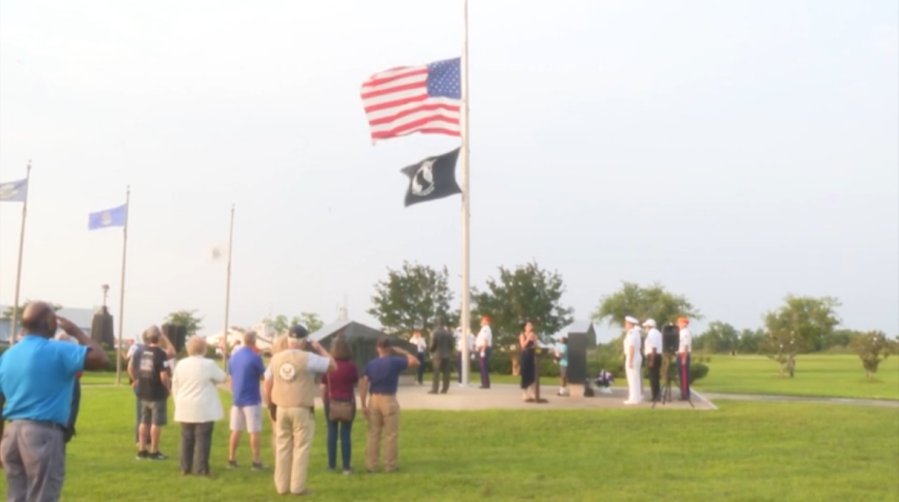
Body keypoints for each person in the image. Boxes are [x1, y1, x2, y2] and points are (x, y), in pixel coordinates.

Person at [0, 301, 109, 502]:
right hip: (42, 434)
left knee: (16, 496)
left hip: (11, 435)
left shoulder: (8, 355)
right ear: (50, 323)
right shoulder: (58, 350)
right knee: (43, 496)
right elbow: (100, 359)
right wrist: (77, 332)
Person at [263, 325, 335, 496]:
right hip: (302, 407)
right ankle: (297, 487)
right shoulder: (308, 357)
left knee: (282, 447)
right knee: (301, 448)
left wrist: (270, 405)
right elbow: (332, 365)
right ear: (304, 342)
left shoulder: (276, 359)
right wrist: (319, 348)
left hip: (281, 407)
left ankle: (281, 486)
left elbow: (267, 381)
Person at [359, 337, 419, 473]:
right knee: (391, 434)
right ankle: (390, 465)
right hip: (389, 398)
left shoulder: (371, 364)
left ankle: (371, 464)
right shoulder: (395, 362)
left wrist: (363, 404)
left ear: (377, 348)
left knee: (373, 433)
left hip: (374, 399)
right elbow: (415, 362)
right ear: (389, 348)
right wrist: (403, 352)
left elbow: (363, 385)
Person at [172, 336, 226, 476]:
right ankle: (201, 468)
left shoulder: (181, 364)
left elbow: (175, 385)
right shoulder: (208, 364)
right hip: (204, 407)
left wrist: (177, 401)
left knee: (186, 438)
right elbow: (222, 377)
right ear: (204, 349)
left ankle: (185, 467)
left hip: (185, 405)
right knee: (203, 438)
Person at [129, 325, 172, 460]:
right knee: (156, 423)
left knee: (143, 421)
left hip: (142, 391)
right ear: (159, 337)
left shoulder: (139, 352)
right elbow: (163, 376)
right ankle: (154, 451)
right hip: (156, 392)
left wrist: (135, 380)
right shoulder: (161, 354)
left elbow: (131, 367)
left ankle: (141, 450)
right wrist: (168, 389)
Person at [227, 330, 267, 470]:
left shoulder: (233, 358)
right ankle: (256, 461)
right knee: (254, 431)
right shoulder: (255, 358)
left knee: (236, 430)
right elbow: (264, 376)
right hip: (251, 398)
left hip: (237, 399)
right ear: (254, 342)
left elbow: (230, 378)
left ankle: (231, 459)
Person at [320, 336, 359, 474]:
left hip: (331, 400)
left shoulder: (329, 366)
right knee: (346, 434)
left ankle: (331, 465)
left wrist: (323, 400)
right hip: (348, 401)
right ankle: (346, 467)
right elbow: (355, 383)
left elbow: (323, 386)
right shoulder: (352, 367)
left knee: (331, 432)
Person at [428, 320, 454, 395]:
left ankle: (435, 389)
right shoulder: (448, 333)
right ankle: (445, 389)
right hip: (447, 355)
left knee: (436, 373)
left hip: (437, 354)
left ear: (436, 323)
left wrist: (431, 351)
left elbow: (432, 345)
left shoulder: (434, 332)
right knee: (446, 372)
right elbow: (451, 345)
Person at [623, 316, 644, 405]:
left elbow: (631, 347)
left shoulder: (631, 333)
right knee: (636, 377)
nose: (625, 325)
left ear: (630, 324)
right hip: (637, 354)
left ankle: (633, 398)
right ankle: (637, 396)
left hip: (633, 355)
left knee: (632, 377)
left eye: (626, 323)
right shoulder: (636, 332)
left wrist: (630, 360)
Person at [643, 319, 663, 402]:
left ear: (649, 326)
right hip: (658, 355)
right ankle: (657, 395)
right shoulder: (658, 333)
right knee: (656, 377)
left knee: (653, 377)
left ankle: (655, 396)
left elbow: (653, 347)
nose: (645, 328)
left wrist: (652, 360)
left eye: (646, 326)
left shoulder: (652, 333)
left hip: (653, 355)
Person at [519, 322, 538, 402]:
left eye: (531, 325)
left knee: (532, 375)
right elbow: (523, 345)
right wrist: (528, 338)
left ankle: (533, 393)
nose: (530, 327)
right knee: (525, 374)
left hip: (532, 356)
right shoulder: (522, 335)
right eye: (528, 325)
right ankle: (525, 393)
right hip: (525, 356)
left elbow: (536, 346)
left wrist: (534, 339)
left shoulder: (534, 335)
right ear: (525, 327)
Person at [676, 317, 692, 400]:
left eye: (679, 323)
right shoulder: (681, 332)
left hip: (683, 354)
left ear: (683, 323)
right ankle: (683, 393)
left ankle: (685, 394)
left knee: (684, 376)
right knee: (681, 375)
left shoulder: (685, 333)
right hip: (680, 354)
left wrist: (684, 358)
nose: (677, 324)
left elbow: (686, 346)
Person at [475, 316, 493, 389]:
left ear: (486, 321)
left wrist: (483, 350)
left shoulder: (485, 328)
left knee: (483, 367)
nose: (481, 321)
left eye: (483, 320)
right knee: (483, 366)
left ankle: (485, 384)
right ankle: (484, 383)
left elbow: (485, 340)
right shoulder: (484, 329)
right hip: (482, 348)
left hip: (484, 348)